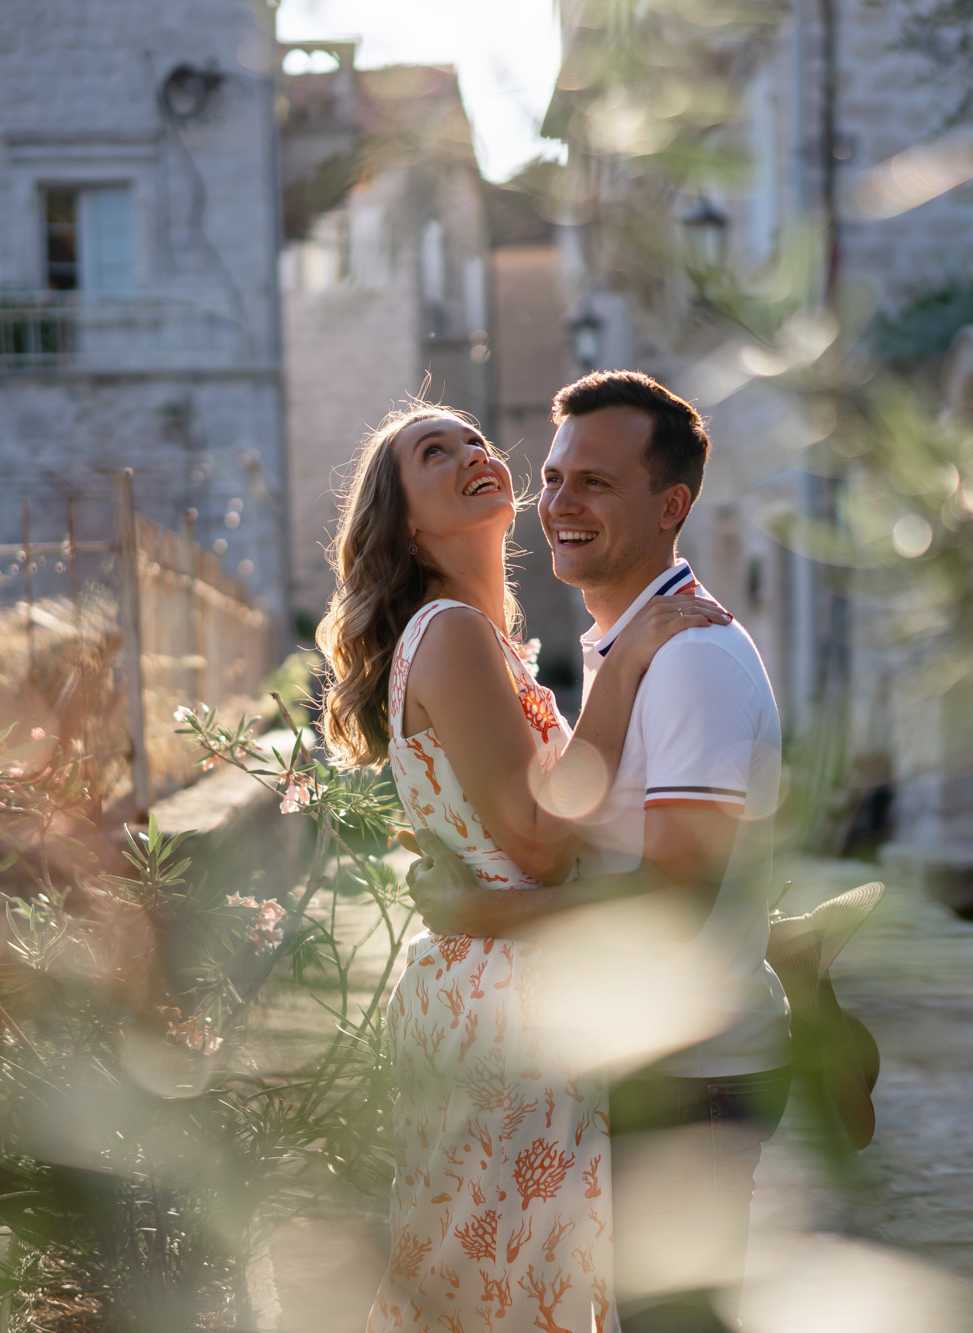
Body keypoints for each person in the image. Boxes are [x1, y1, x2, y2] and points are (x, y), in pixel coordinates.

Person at [314, 403, 728, 1333]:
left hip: (499, 987)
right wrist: (625, 664)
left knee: (499, 1283)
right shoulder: (451, 631)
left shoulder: (478, 637)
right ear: (405, 523)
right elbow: (539, 839)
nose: (472, 453)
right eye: (435, 453)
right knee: (507, 1288)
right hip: (501, 1007)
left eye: (473, 440)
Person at [410, 371, 792, 1333]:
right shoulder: (627, 647)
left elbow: (675, 900)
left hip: (691, 1074)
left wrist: (488, 916)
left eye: (597, 482)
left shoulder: (690, 658)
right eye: (553, 477)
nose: (561, 502)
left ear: (671, 506)